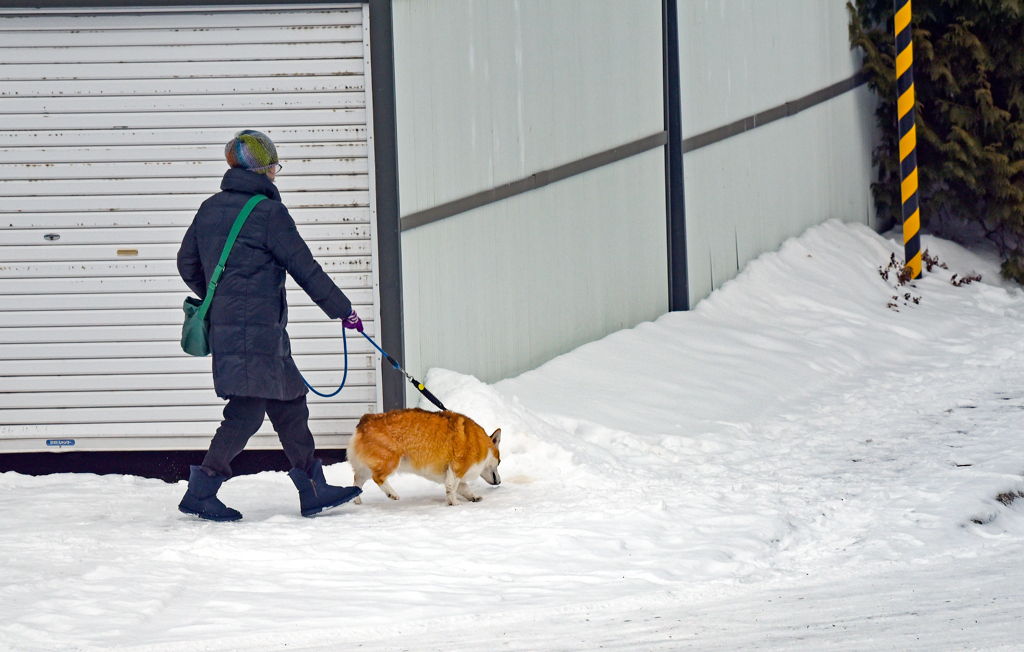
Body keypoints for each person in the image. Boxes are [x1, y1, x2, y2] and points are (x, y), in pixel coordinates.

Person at [176, 129, 364, 521]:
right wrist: (342, 309)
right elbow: (305, 268)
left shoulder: (209, 208)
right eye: (275, 166)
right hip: (256, 331)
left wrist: (223, 298)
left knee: (291, 402)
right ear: (265, 170)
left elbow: (186, 263)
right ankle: (201, 489)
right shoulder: (268, 213)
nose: (277, 173)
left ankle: (313, 488)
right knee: (245, 411)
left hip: (253, 331)